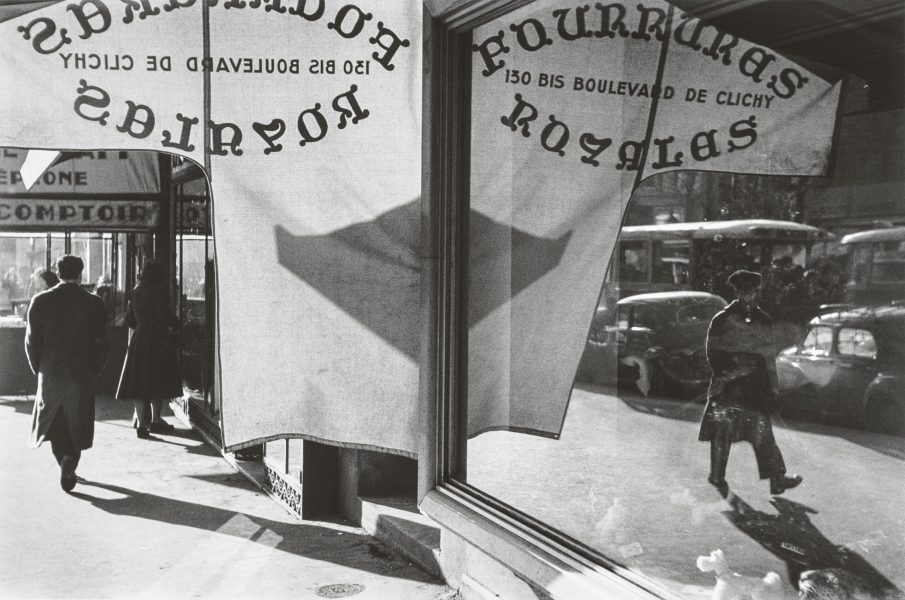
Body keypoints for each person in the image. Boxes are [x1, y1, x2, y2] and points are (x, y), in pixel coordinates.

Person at [698, 269, 802, 498]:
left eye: (755, 291)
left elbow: (768, 356)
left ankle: (777, 480)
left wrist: (773, 385)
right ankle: (717, 477)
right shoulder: (722, 319)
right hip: (727, 386)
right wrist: (732, 370)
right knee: (721, 433)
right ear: (738, 292)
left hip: (755, 387)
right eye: (747, 291)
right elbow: (711, 353)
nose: (752, 295)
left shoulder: (763, 319)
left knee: (763, 433)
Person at [25, 255, 109, 492]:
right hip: (80, 373)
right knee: (78, 421)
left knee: (55, 422)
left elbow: (31, 342)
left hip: (50, 371)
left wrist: (39, 369)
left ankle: (64, 460)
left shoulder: (40, 301)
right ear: (81, 274)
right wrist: (96, 368)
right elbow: (102, 342)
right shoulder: (94, 303)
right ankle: (70, 461)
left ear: (58, 273)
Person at [115, 260, 182, 439]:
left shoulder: (135, 293)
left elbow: (129, 319)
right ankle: (156, 420)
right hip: (158, 339)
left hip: (139, 338)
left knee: (139, 380)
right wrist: (177, 323)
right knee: (157, 380)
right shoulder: (160, 292)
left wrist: (141, 324)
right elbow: (165, 316)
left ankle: (142, 424)